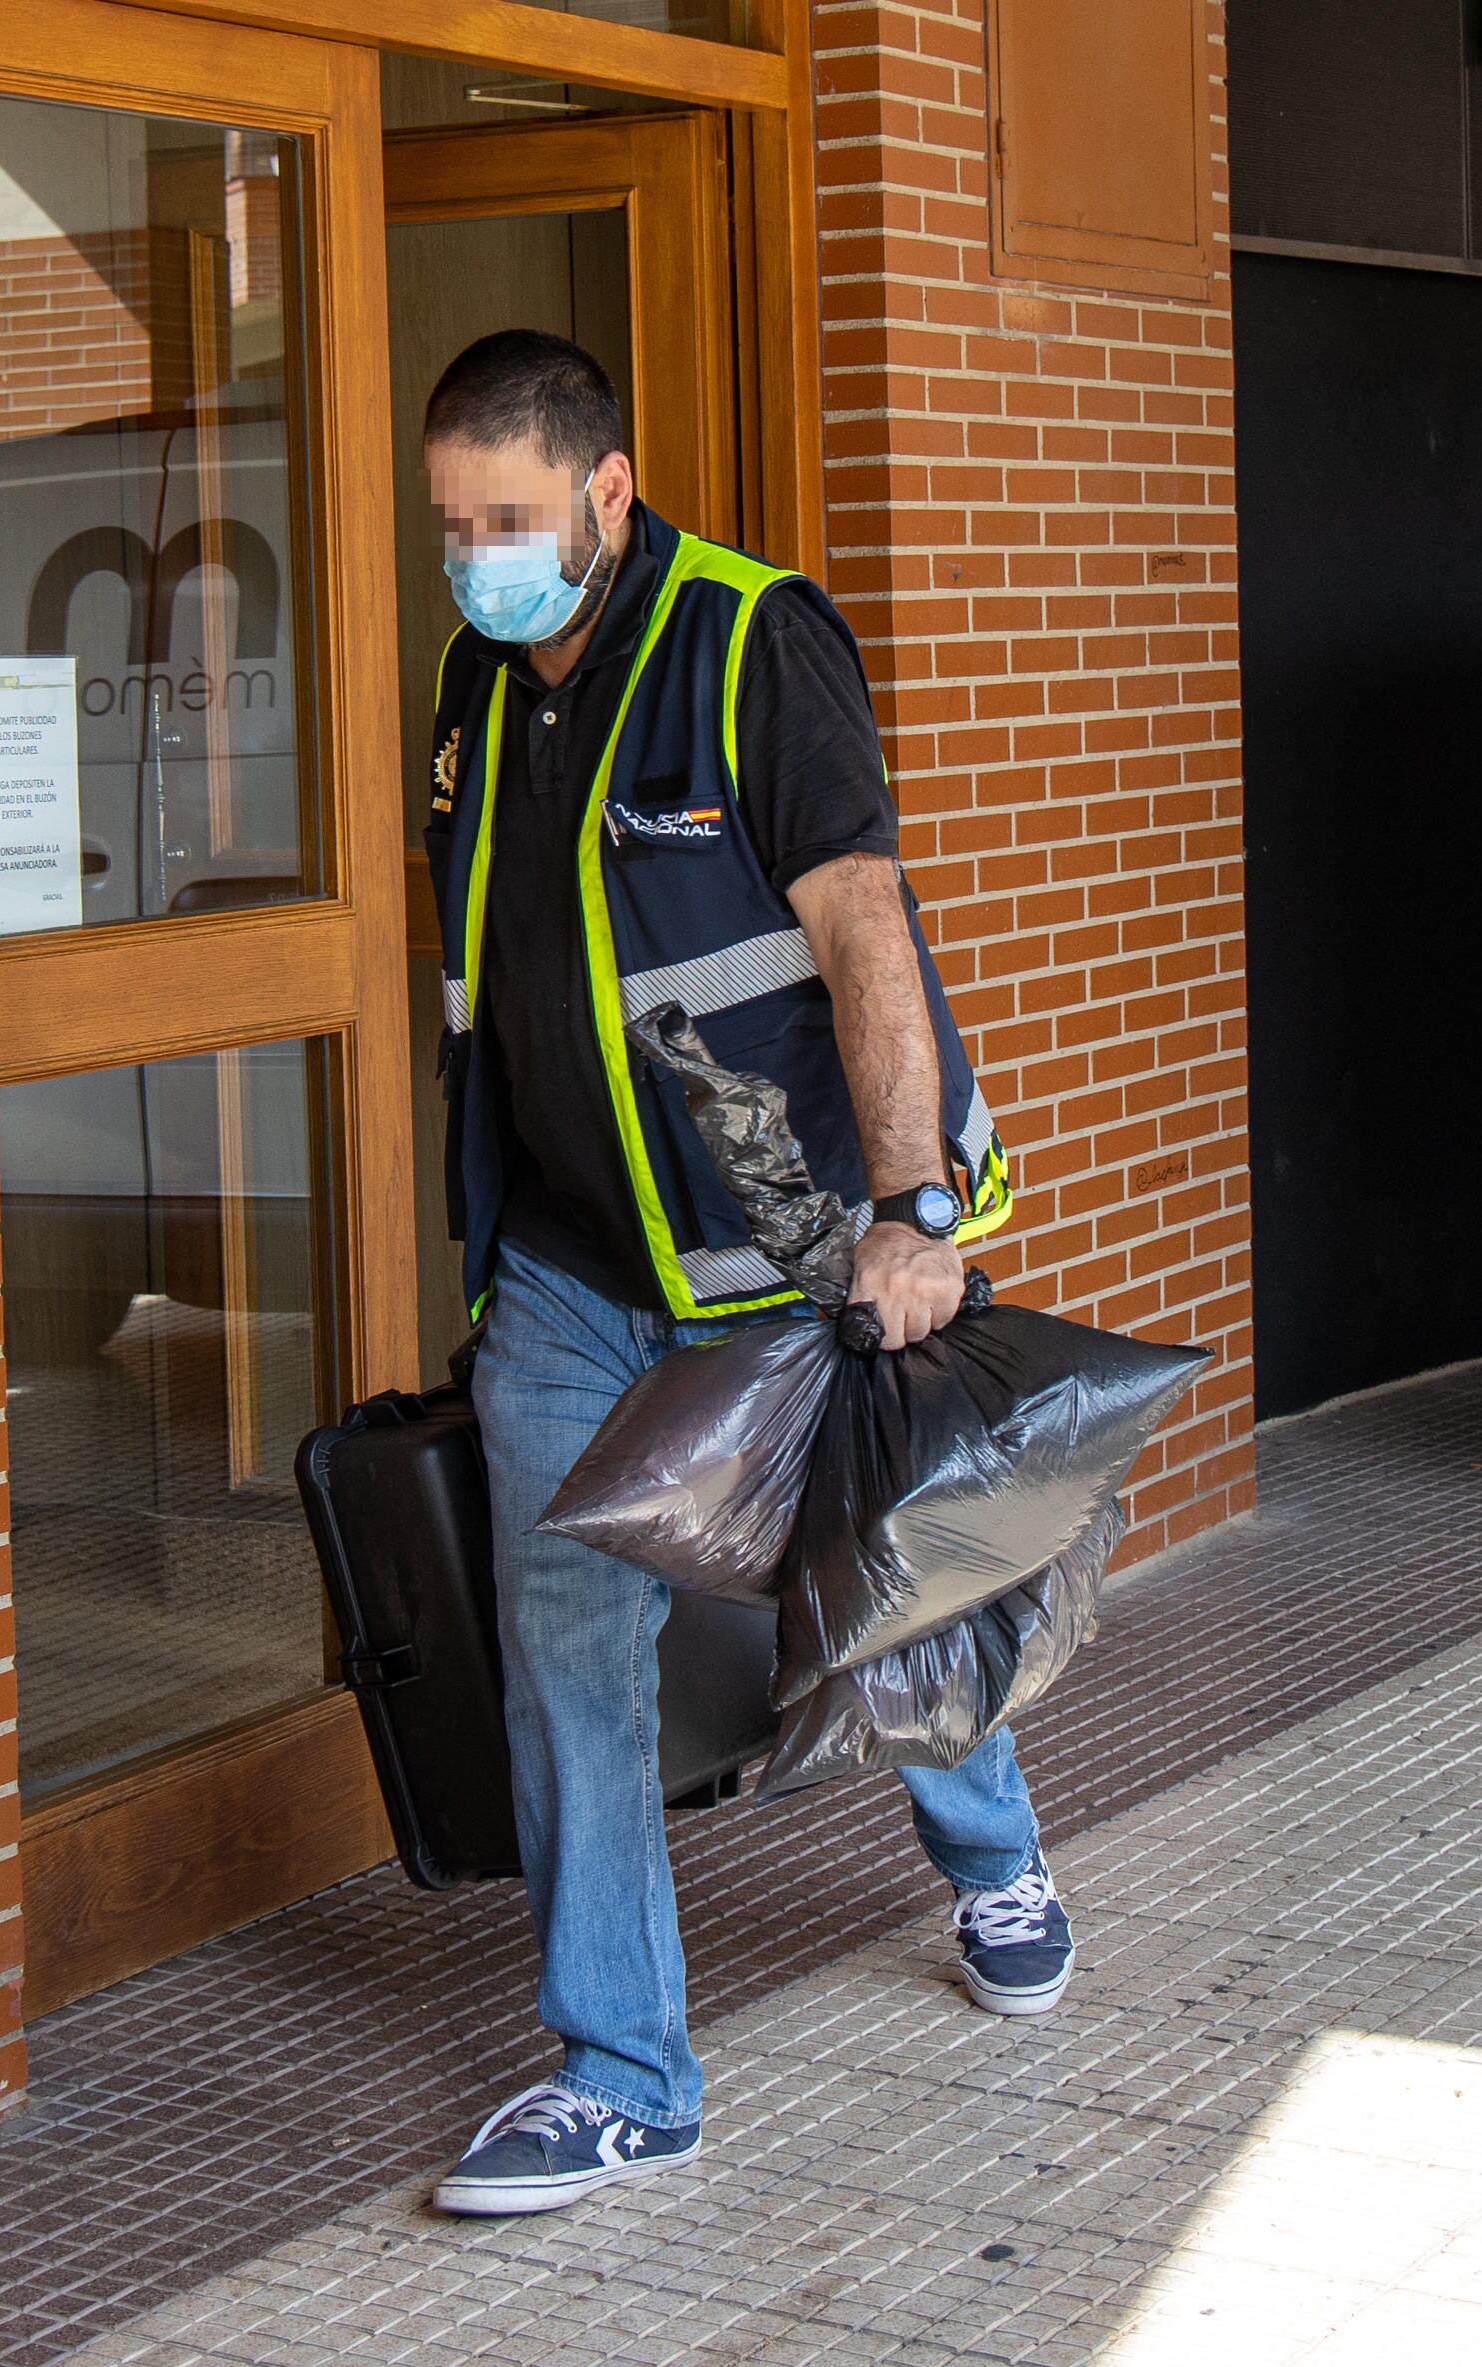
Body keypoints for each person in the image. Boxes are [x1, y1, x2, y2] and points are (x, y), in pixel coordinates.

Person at [414, 330, 1073, 2218]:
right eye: (455, 525)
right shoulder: (473, 681)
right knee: (570, 1655)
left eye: (514, 521)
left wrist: (909, 1210)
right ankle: (624, 2069)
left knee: (878, 1583)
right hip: (563, 1268)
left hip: (783, 1252)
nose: (479, 557)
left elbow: (863, 924)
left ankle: (993, 1850)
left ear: (609, 493)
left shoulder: (751, 639)